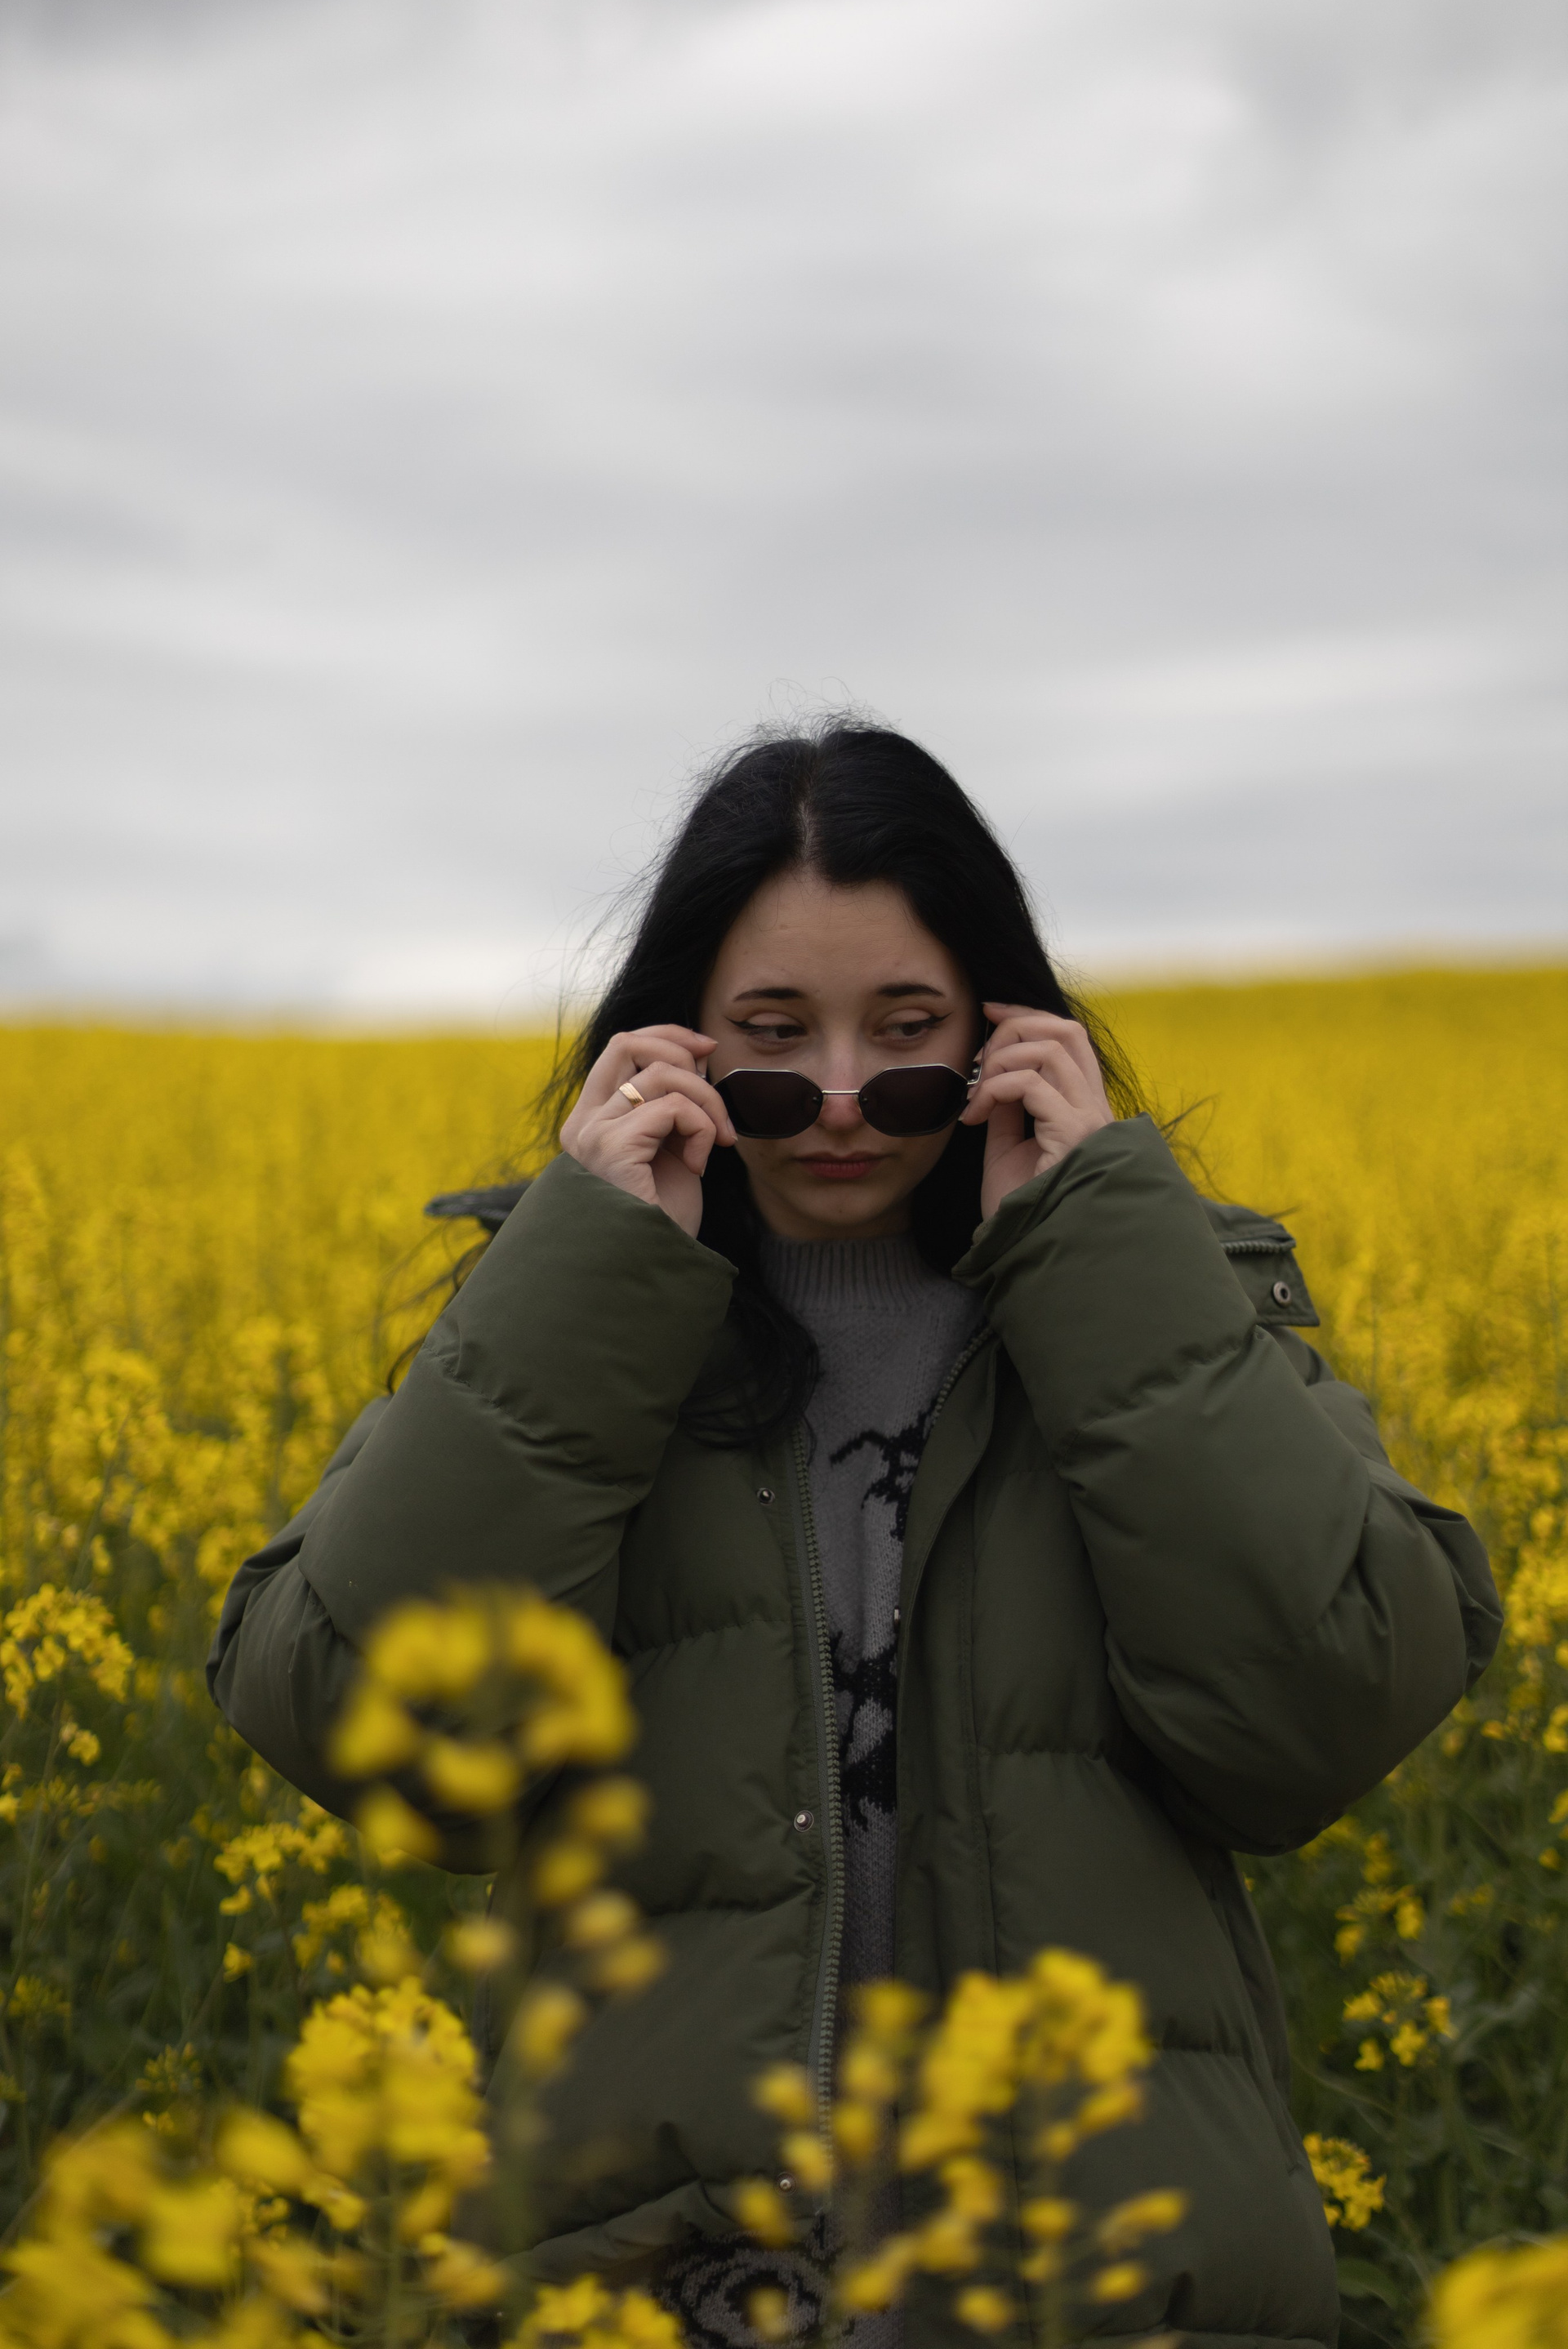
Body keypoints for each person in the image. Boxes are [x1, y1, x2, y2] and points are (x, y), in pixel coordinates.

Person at [209, 722, 1499, 2349]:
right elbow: (371, 1731)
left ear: (1000, 1039)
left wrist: (1105, 1252)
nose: (837, 1103)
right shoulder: (574, 1335)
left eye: (905, 1039)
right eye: (770, 1041)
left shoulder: (1152, 1304)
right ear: (674, 1046)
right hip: (660, 2300)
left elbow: (1324, 1715)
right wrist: (585, 1276)